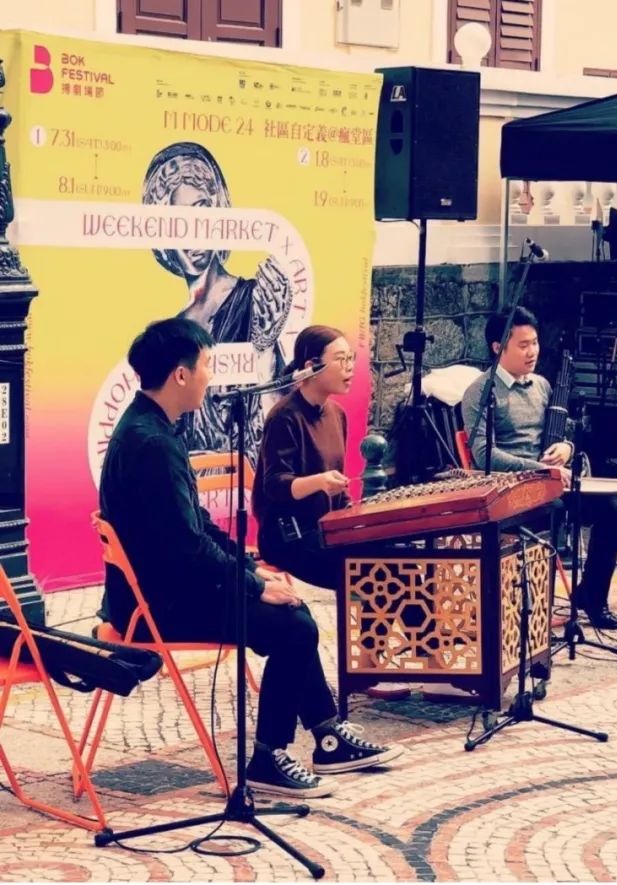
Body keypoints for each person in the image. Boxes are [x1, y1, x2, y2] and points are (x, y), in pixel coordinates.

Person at [99, 318, 400, 800]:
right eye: (207, 366)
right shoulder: (151, 444)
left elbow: (196, 526)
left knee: (293, 613)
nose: (210, 377)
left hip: (170, 586)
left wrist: (250, 566)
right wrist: (255, 586)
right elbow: (188, 549)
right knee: (293, 625)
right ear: (180, 374)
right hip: (159, 604)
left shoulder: (154, 428)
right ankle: (269, 757)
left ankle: (326, 736)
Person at [460, 307, 617, 631]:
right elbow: (483, 454)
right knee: (553, 511)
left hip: (552, 481)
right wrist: (537, 468)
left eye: (535, 343)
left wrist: (567, 448)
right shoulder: (480, 392)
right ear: (498, 347)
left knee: (614, 511)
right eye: (523, 345)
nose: (533, 352)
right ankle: (535, 611)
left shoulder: (541, 385)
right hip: (512, 488)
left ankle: (593, 596)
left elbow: (566, 432)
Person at [142, 141, 293, 464]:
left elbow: (277, 425)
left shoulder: (254, 300)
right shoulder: (174, 330)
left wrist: (265, 348)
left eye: (202, 212)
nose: (194, 235)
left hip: (244, 478)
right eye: (179, 222)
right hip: (191, 481)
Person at [253, 325, 355, 589]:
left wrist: (355, 517)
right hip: (288, 537)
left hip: (325, 530)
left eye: (351, 358)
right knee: (369, 569)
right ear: (311, 366)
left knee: (393, 561)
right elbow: (274, 485)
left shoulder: (337, 414)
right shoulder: (284, 417)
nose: (349, 367)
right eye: (341, 359)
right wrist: (319, 482)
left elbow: (340, 487)